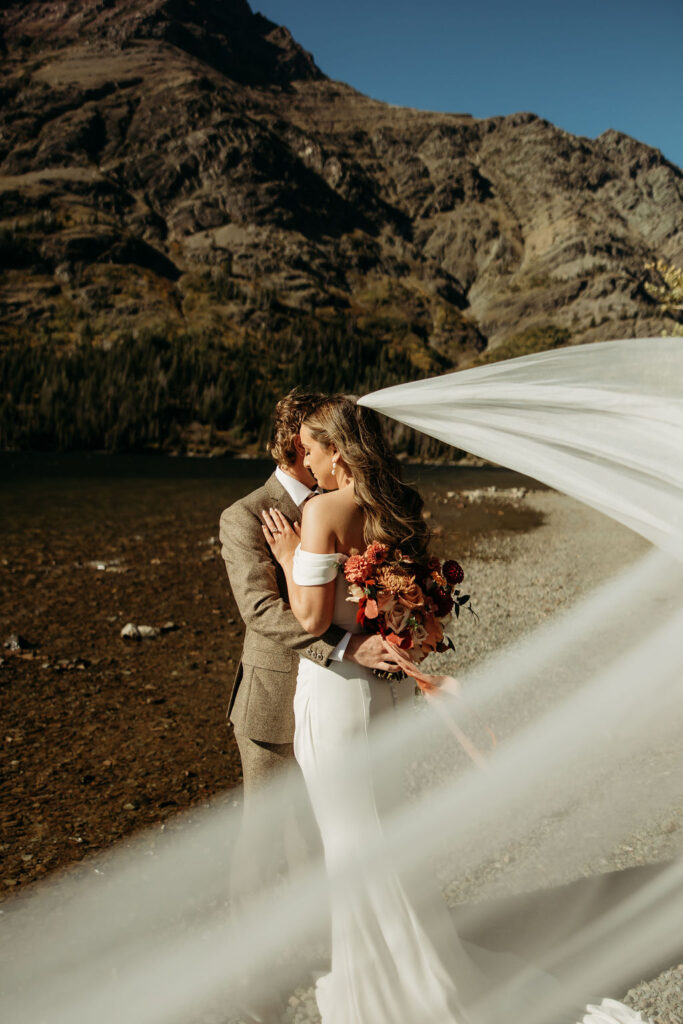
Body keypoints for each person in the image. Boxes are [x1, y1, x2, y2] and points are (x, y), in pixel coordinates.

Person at [261, 394, 649, 1024]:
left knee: (351, 846)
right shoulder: (398, 510)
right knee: (379, 836)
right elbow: (421, 612)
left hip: (338, 694)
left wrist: (285, 560)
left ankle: (389, 991)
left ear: (336, 450)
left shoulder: (323, 510)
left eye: (309, 446)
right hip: (385, 695)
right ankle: (405, 969)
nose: (303, 457)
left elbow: (308, 618)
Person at [219, 389, 402, 907]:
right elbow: (259, 610)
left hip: (341, 700)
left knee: (324, 834)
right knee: (265, 841)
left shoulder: (353, 502)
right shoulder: (244, 516)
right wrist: (347, 647)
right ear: (301, 446)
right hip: (276, 701)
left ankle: (323, 948)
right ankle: (250, 976)